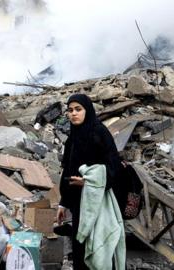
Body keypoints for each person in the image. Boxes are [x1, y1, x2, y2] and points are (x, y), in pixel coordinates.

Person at [56, 93, 124, 269]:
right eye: (70, 110)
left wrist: (88, 182)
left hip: (99, 203)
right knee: (81, 248)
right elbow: (68, 171)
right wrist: (63, 203)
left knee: (99, 248)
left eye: (78, 109)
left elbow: (114, 167)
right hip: (79, 205)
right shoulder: (72, 138)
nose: (73, 114)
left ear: (88, 110)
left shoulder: (99, 133)